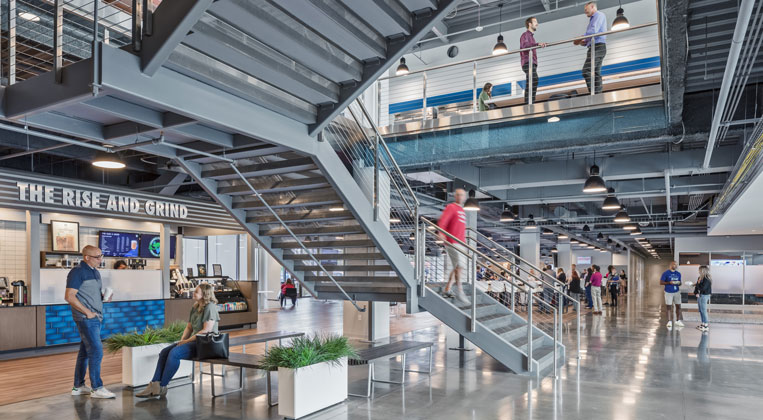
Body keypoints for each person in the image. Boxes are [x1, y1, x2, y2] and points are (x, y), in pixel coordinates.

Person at [136, 283, 220, 398]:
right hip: (195, 341)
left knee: (175, 353)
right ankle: (154, 384)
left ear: (204, 295)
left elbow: (206, 330)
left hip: (206, 343)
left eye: (196, 291)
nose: (193, 293)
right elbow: (189, 327)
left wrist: (186, 342)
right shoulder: (195, 307)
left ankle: (162, 386)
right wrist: (182, 340)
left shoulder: (210, 307)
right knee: (165, 352)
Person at [65, 245, 115, 399]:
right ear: (86, 257)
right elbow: (69, 296)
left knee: (85, 353)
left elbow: (91, 294)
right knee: (96, 350)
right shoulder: (77, 272)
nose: (100, 259)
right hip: (86, 318)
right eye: (97, 257)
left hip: (95, 317)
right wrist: (88, 312)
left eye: (101, 256)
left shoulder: (95, 272)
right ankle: (97, 388)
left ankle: (78, 386)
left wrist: (103, 298)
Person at [438, 188, 468, 303]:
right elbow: (443, 220)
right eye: (458, 195)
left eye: (462, 195)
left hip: (461, 242)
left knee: (457, 266)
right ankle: (460, 290)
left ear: (464, 197)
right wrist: (441, 232)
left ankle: (447, 288)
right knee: (459, 266)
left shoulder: (462, 210)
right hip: (452, 241)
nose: (460, 197)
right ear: (455, 196)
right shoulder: (451, 207)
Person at [575, 2, 607, 94]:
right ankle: (598, 94)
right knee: (596, 73)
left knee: (586, 70)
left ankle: (594, 94)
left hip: (598, 47)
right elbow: (592, 35)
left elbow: (593, 31)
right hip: (596, 47)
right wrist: (584, 42)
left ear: (592, 7)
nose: (585, 12)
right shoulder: (593, 19)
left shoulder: (598, 15)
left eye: (586, 10)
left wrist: (582, 37)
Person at [519, 17, 547, 104]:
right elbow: (525, 46)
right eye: (535, 22)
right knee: (534, 79)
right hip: (528, 62)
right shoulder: (525, 35)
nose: (537, 24)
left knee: (532, 80)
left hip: (532, 62)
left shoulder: (531, 37)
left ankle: (530, 102)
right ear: (529, 24)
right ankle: (528, 103)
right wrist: (537, 44)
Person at [660, 260, 684, 329]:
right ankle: (669, 321)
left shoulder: (678, 274)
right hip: (668, 292)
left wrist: (679, 283)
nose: (675, 266)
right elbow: (661, 282)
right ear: (670, 265)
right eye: (674, 264)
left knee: (678, 306)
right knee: (669, 307)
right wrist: (668, 283)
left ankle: (678, 320)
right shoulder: (665, 273)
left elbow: (680, 282)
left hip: (677, 292)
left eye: (676, 265)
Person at [694, 265, 712, 332]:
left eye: (699, 270)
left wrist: (697, 284)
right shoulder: (700, 277)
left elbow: (703, 288)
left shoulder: (707, 279)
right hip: (700, 295)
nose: (698, 271)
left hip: (704, 295)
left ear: (702, 271)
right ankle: (703, 323)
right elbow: (697, 287)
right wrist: (696, 293)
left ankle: (706, 325)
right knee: (701, 310)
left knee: (704, 310)